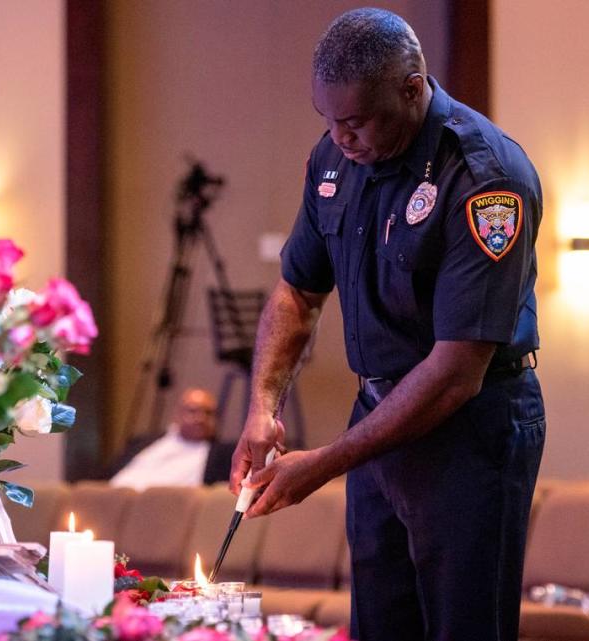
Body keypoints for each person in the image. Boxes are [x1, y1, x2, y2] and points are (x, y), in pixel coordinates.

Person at [229, 8, 545, 641]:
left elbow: (456, 373)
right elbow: (297, 290)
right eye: (328, 119)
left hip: (469, 429)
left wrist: (321, 465)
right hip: (378, 415)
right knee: (381, 624)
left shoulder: (485, 179)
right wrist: (263, 405)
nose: (340, 136)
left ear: (412, 86)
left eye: (355, 120)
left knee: (464, 628)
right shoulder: (333, 160)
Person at [108, 388, 235, 490]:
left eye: (208, 413)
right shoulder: (142, 442)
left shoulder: (224, 455)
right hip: (116, 502)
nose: (201, 418)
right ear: (177, 414)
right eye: (193, 411)